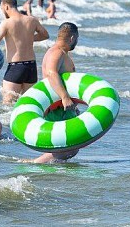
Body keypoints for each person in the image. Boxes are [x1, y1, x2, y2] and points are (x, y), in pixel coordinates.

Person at [33, 22, 81, 164]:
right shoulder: (57, 52)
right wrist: (65, 97)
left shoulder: (56, 51)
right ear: (72, 38)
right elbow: (51, 73)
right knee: (70, 147)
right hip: (58, 108)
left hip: (61, 107)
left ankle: (51, 172)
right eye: (77, 39)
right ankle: (36, 163)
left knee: (68, 147)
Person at [0, 0, 50, 105]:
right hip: (31, 67)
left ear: (6, 6)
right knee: (27, 104)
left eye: (2, 8)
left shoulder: (6, 23)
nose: (2, 11)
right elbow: (45, 35)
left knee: (8, 106)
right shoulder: (32, 20)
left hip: (15, 68)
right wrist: (30, 38)